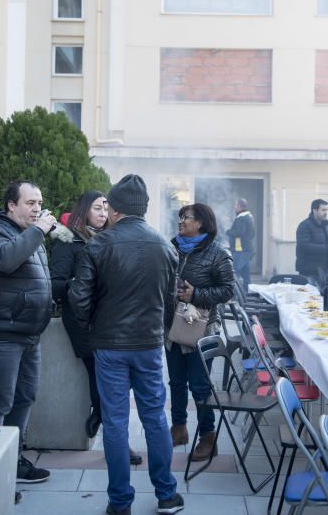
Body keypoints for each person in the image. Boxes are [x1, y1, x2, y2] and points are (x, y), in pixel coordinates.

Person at [69, 174, 184, 515]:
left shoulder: (99, 244)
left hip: (109, 346)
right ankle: (166, 495)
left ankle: (120, 502)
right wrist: (158, 334)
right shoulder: (165, 246)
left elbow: (78, 298)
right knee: (155, 418)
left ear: (115, 209)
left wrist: (93, 325)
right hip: (149, 345)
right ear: (144, 209)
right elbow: (171, 303)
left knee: (116, 422)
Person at [0, 180, 56, 484]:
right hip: (1, 333)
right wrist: (38, 230)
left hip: (28, 334)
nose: (37, 209)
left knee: (25, 397)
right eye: (30, 203)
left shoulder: (26, 234)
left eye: (39, 203)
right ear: (11, 205)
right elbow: (7, 259)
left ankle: (12, 461)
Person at [49, 190, 142, 465]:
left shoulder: (107, 239)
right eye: (97, 208)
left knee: (111, 381)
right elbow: (55, 284)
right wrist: (84, 285)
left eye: (106, 209)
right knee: (104, 379)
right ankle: (114, 436)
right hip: (83, 321)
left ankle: (100, 415)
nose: (103, 214)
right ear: (84, 210)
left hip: (109, 320)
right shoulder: (68, 241)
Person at [167, 203, 235, 462]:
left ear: (202, 224)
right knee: (175, 382)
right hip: (172, 327)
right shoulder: (171, 248)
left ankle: (208, 437)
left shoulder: (218, 254)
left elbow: (227, 289)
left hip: (202, 329)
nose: (181, 221)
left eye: (187, 217)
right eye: (180, 217)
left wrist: (197, 295)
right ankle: (179, 429)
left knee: (200, 385)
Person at [295, 198, 328, 293]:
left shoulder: (326, 225)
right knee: (309, 300)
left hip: (324, 271)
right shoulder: (304, 226)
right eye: (323, 210)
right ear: (315, 210)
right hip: (309, 271)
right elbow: (304, 247)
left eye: (327, 210)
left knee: (326, 299)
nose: (326, 213)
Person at [226, 198, 255, 293]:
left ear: (240, 206)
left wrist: (229, 232)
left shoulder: (241, 218)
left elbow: (239, 232)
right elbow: (252, 233)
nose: (234, 207)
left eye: (235, 205)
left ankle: (234, 295)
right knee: (246, 274)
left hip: (240, 250)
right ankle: (247, 293)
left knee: (235, 272)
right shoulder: (249, 217)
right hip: (247, 249)